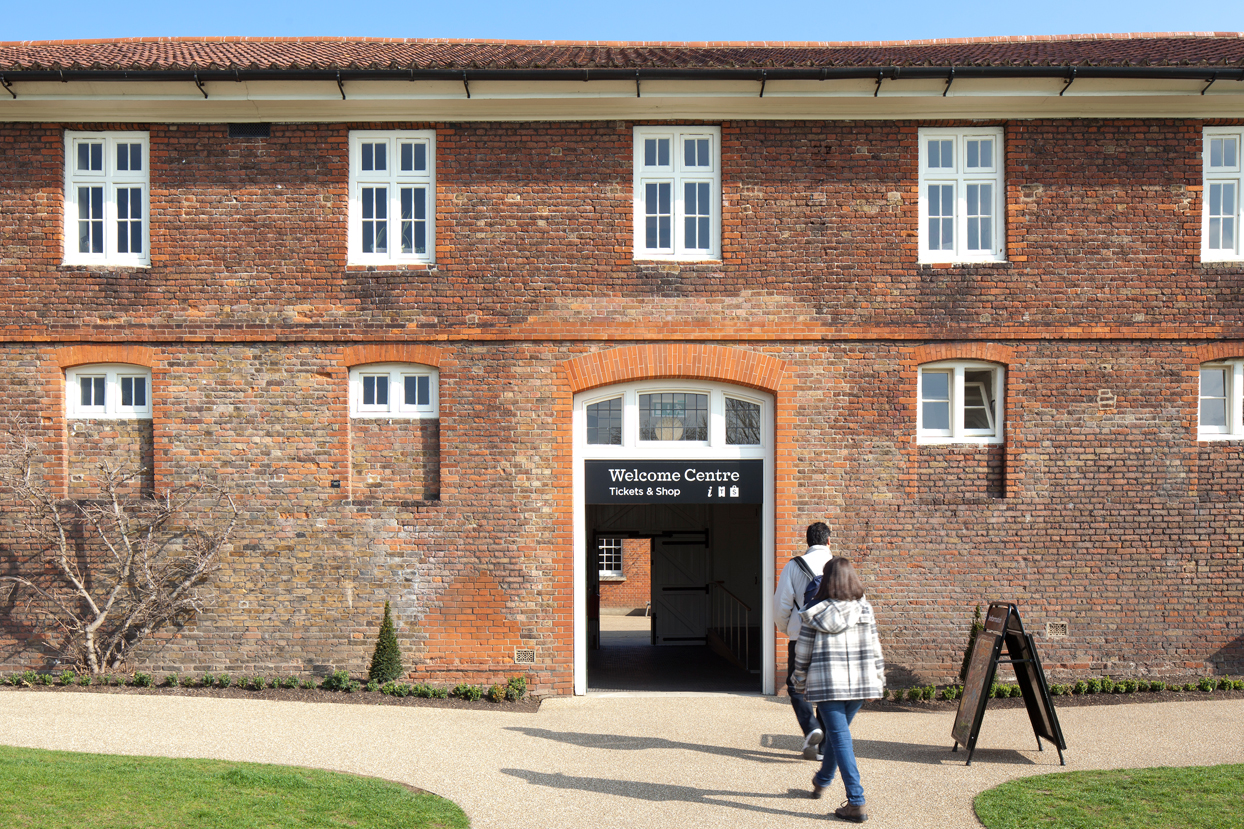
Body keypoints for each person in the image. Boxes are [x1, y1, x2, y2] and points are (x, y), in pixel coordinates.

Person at [790, 558, 885, 824]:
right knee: (836, 736)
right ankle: (822, 780)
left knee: (840, 739)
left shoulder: (813, 612)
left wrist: (799, 682)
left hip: (828, 684)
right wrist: (878, 680)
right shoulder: (864, 610)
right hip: (859, 685)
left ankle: (856, 801)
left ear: (827, 581)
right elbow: (875, 648)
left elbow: (803, 655)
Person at [772, 521, 833, 759]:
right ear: (829, 541)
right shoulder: (838, 566)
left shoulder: (793, 566)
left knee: (796, 686)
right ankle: (823, 748)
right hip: (831, 639)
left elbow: (781, 606)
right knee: (827, 692)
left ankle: (811, 728)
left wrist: (789, 630)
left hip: (801, 636)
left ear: (807, 542)